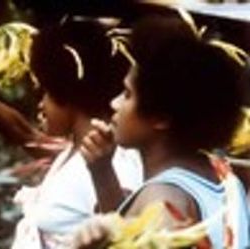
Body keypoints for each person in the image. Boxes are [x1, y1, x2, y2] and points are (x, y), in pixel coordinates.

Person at [72, 16, 250, 248]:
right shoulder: (220, 171)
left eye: (127, 94)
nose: (114, 104)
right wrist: (102, 171)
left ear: (161, 118)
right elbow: (129, 230)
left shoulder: (163, 204)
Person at [10, 18, 143, 249]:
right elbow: (24, 136)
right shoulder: (74, 152)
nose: (41, 105)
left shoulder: (114, 165)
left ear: (67, 94)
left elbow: (127, 235)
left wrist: (103, 172)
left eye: (46, 93)